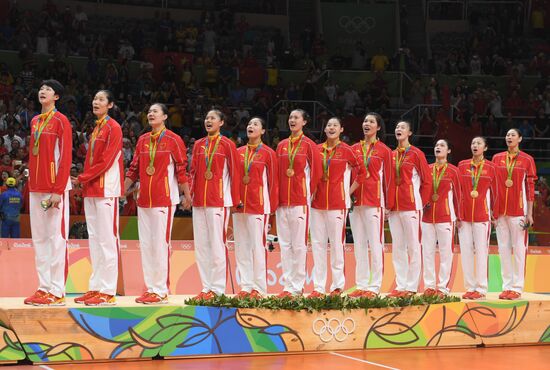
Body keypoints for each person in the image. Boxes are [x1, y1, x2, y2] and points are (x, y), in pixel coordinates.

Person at [125, 103, 192, 304]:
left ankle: (161, 289)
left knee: (160, 244)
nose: (151, 114)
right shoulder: (143, 140)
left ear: (164, 117)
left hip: (164, 199)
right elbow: (134, 168)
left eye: (155, 111)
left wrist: (187, 196)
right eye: (149, 111)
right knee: (146, 245)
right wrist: (121, 189)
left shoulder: (174, 139)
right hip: (144, 200)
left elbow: (181, 170)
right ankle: (150, 287)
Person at [71, 90, 123, 306]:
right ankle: (95, 286)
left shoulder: (114, 127)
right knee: (94, 239)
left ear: (110, 105)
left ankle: (108, 290)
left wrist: (81, 178)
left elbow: (106, 161)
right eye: (94, 99)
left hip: (106, 190)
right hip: (91, 190)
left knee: (107, 240)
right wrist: (85, 182)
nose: (96, 102)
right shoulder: (97, 128)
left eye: (101, 99)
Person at [24, 79, 72, 306]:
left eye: (48, 89)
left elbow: (65, 158)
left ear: (57, 97)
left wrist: (58, 190)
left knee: (56, 239)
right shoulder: (35, 121)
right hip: (36, 187)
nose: (42, 91)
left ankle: (57, 291)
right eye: (41, 88)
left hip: (54, 189)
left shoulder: (61, 121)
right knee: (40, 239)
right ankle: (43, 288)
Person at [190, 109, 240, 300]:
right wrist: (190, 195)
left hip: (218, 201)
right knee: (202, 246)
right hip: (199, 201)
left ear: (221, 123)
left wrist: (235, 201)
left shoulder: (228, 145)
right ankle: (206, 287)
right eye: (206, 117)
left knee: (218, 244)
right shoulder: (198, 144)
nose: (208, 120)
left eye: (212, 118)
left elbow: (235, 174)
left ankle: (218, 288)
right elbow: (193, 171)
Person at [309, 117, 358, 297]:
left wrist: (348, 191)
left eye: (335, 125)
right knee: (318, 245)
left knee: (337, 245)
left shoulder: (347, 150)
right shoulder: (316, 150)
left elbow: (362, 172)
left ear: (341, 129)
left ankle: (337, 286)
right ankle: (318, 287)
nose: (331, 128)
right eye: (328, 125)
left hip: (338, 205)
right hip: (316, 204)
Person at [276, 109, 322, 298]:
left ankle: (297, 286)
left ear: (304, 122)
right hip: (282, 202)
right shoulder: (281, 145)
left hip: (299, 201)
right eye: (290, 118)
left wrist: (307, 194)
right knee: (285, 245)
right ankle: (288, 285)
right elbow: (278, 173)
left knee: (299, 245)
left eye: (296, 118)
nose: (292, 120)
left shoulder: (310, 146)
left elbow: (317, 173)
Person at [233, 117, 278, 298]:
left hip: (258, 205)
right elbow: (235, 179)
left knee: (258, 247)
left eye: (255, 124)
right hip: (239, 206)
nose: (250, 127)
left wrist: (272, 207)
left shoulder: (268, 153)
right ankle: (245, 286)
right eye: (249, 124)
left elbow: (274, 182)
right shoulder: (238, 152)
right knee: (241, 247)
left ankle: (259, 288)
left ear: (263, 131)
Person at [348, 112, 392, 298]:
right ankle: (361, 283)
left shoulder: (384, 151)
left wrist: (388, 204)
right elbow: (348, 176)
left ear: (378, 127)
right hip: (356, 202)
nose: (367, 124)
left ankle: (374, 286)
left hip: (375, 201)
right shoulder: (353, 149)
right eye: (365, 121)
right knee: (359, 244)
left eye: (372, 121)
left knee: (375, 244)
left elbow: (389, 179)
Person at [387, 121, 431, 297]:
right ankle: (400, 284)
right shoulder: (390, 155)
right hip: (394, 207)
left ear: (410, 132)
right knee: (398, 246)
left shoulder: (416, 154)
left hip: (411, 206)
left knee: (413, 246)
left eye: (403, 128)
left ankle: (411, 287)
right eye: (397, 127)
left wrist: (421, 201)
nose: (399, 130)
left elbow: (427, 181)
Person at [493, 129, 537, 300]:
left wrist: (530, 213)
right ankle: (506, 286)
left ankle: (517, 287)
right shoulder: (497, 158)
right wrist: (492, 209)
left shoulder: (527, 160)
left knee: (519, 250)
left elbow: (530, 188)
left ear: (520, 139)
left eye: (512, 135)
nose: (509, 137)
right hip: (501, 212)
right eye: (507, 135)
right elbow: (493, 184)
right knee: (503, 249)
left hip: (519, 211)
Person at [458, 137, 498, 300]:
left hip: (482, 215)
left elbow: (496, 192)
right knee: (466, 251)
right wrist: (456, 214)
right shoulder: (462, 165)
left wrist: (494, 213)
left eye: (479, 143)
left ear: (485, 148)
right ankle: (470, 287)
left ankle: (481, 288)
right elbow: (458, 191)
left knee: (482, 251)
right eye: (473, 143)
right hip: (464, 216)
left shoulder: (491, 167)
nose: (475, 146)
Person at [421, 140, 461, 298]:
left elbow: (458, 195)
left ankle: (443, 287)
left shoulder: (454, 171)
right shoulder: (427, 169)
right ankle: (429, 286)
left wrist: (459, 216)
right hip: (427, 217)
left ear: (449, 151)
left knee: (446, 253)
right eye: (436, 145)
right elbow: (421, 191)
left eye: (442, 145)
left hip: (445, 217)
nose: (438, 147)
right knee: (427, 252)